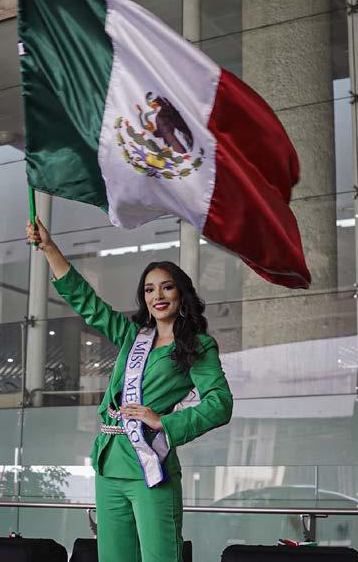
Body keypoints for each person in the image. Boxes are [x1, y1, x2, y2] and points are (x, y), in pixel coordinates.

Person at [26, 215, 233, 562]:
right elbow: (89, 305)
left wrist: (163, 422)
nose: (158, 296)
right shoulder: (132, 337)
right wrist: (49, 248)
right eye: (149, 290)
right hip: (109, 465)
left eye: (167, 287)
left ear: (181, 294)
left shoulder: (196, 346)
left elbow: (221, 403)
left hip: (151, 467)